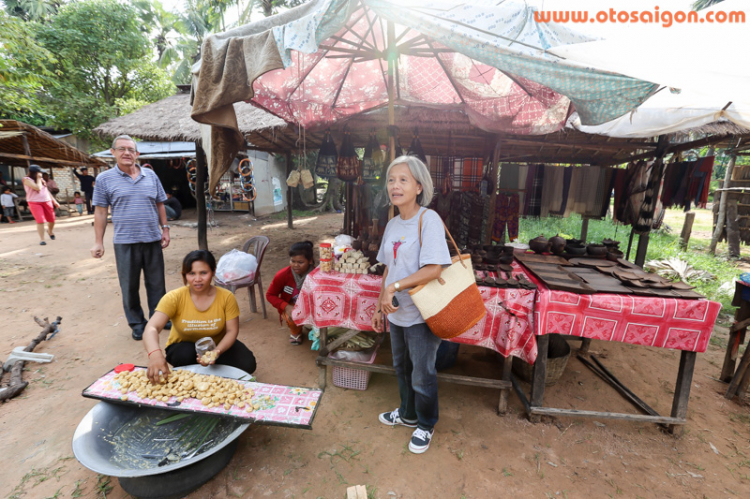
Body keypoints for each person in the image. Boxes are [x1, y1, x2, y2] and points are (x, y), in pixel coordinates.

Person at [372, 155, 451, 455]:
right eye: (392, 180)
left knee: (422, 372)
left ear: (419, 186)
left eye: (403, 180)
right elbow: (388, 268)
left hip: (421, 313)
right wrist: (381, 302)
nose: (395, 186)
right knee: (400, 368)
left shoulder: (427, 220)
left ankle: (426, 423)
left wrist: (393, 288)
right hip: (396, 312)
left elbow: (434, 269)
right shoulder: (393, 224)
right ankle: (407, 414)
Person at [91, 135, 171, 341]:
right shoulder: (104, 179)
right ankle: (137, 323)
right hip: (125, 241)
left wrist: (165, 229)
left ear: (137, 154)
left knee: (157, 283)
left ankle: (159, 317)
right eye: (121, 149)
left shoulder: (151, 176)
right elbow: (100, 212)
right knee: (129, 285)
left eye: (130, 149)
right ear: (113, 152)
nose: (126, 153)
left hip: (152, 238)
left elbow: (160, 203)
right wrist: (98, 241)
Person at [142, 250, 256, 384]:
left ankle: (213, 366)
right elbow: (151, 327)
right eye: (191, 273)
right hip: (184, 346)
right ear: (185, 275)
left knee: (248, 363)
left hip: (218, 344)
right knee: (183, 355)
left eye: (203, 273)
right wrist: (155, 353)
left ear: (213, 271)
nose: (197, 279)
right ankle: (193, 378)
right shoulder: (174, 297)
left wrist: (216, 352)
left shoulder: (226, 297)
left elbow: (232, 331)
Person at [266, 241, 314, 345]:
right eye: (293, 261)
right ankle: (295, 331)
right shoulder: (282, 275)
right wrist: (286, 306)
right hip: (293, 305)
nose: (296, 265)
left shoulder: (316, 274)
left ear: (310, 261)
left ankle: (313, 326)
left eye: (300, 262)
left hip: (312, 305)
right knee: (291, 316)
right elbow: (270, 295)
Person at [23, 165, 60, 245]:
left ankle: (50, 231)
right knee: (40, 221)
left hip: (47, 201)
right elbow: (37, 188)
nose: (41, 174)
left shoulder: (41, 179)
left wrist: (54, 200)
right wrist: (39, 179)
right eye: (39, 172)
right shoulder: (26, 180)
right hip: (34, 202)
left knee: (52, 220)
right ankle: (42, 239)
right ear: (34, 173)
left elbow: (46, 190)